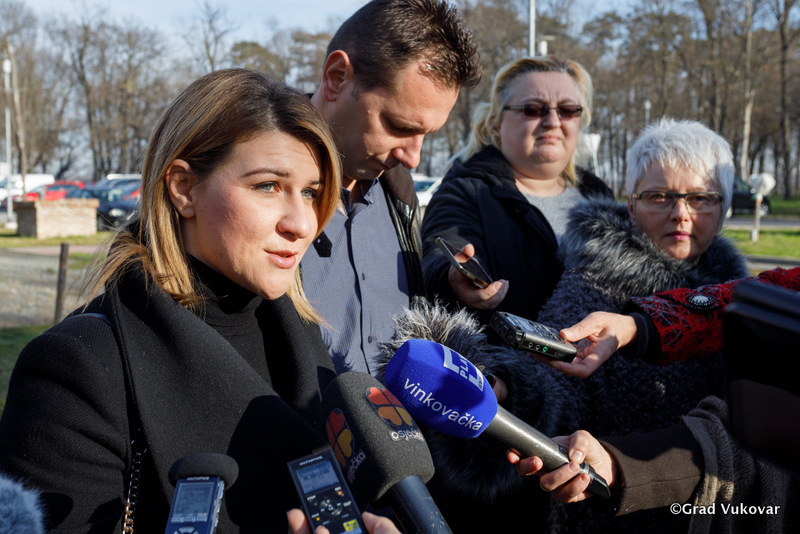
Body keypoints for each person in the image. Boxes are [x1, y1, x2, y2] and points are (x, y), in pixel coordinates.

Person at [0, 69, 390, 533]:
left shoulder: (299, 332)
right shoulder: (75, 365)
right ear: (184, 188)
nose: (302, 223)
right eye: (268, 186)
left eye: (310, 192)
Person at [301, 0, 482, 376]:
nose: (413, 158)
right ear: (337, 77)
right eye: (399, 126)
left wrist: (446, 283)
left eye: (427, 135)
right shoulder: (252, 189)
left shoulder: (399, 193)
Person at [420, 55, 613, 326]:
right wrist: (455, 277)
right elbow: (442, 249)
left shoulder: (600, 197)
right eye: (533, 109)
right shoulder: (465, 191)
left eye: (567, 109)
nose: (553, 121)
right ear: (497, 123)